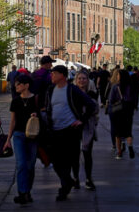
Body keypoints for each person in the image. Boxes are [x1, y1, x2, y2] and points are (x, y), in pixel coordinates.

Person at [40, 64, 97, 201]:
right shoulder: (51, 89)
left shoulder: (72, 90)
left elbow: (91, 105)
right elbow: (48, 107)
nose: (51, 75)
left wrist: (81, 120)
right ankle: (67, 181)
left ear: (62, 76)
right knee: (55, 159)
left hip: (70, 131)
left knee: (67, 159)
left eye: (54, 73)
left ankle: (64, 187)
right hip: (54, 130)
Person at [4, 73, 42, 205]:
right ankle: (22, 193)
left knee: (30, 165)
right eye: (16, 84)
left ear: (27, 85)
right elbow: (13, 121)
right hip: (19, 135)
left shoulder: (36, 99)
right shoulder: (15, 101)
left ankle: (27, 191)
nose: (16, 86)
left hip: (33, 136)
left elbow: (44, 117)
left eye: (19, 84)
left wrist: (36, 115)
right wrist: (8, 139)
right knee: (21, 165)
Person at [74, 71, 100, 190]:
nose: (82, 81)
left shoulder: (92, 93)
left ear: (88, 80)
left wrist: (84, 118)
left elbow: (95, 109)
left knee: (87, 153)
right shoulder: (72, 93)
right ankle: (76, 178)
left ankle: (89, 178)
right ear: (76, 80)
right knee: (74, 154)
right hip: (74, 126)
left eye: (84, 78)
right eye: (79, 78)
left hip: (87, 125)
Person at [108, 69, 136, 159]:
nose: (117, 77)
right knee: (128, 132)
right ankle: (130, 146)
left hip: (118, 111)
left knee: (118, 133)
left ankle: (119, 152)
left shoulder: (115, 86)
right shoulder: (131, 86)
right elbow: (134, 99)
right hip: (128, 111)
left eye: (118, 75)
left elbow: (111, 100)